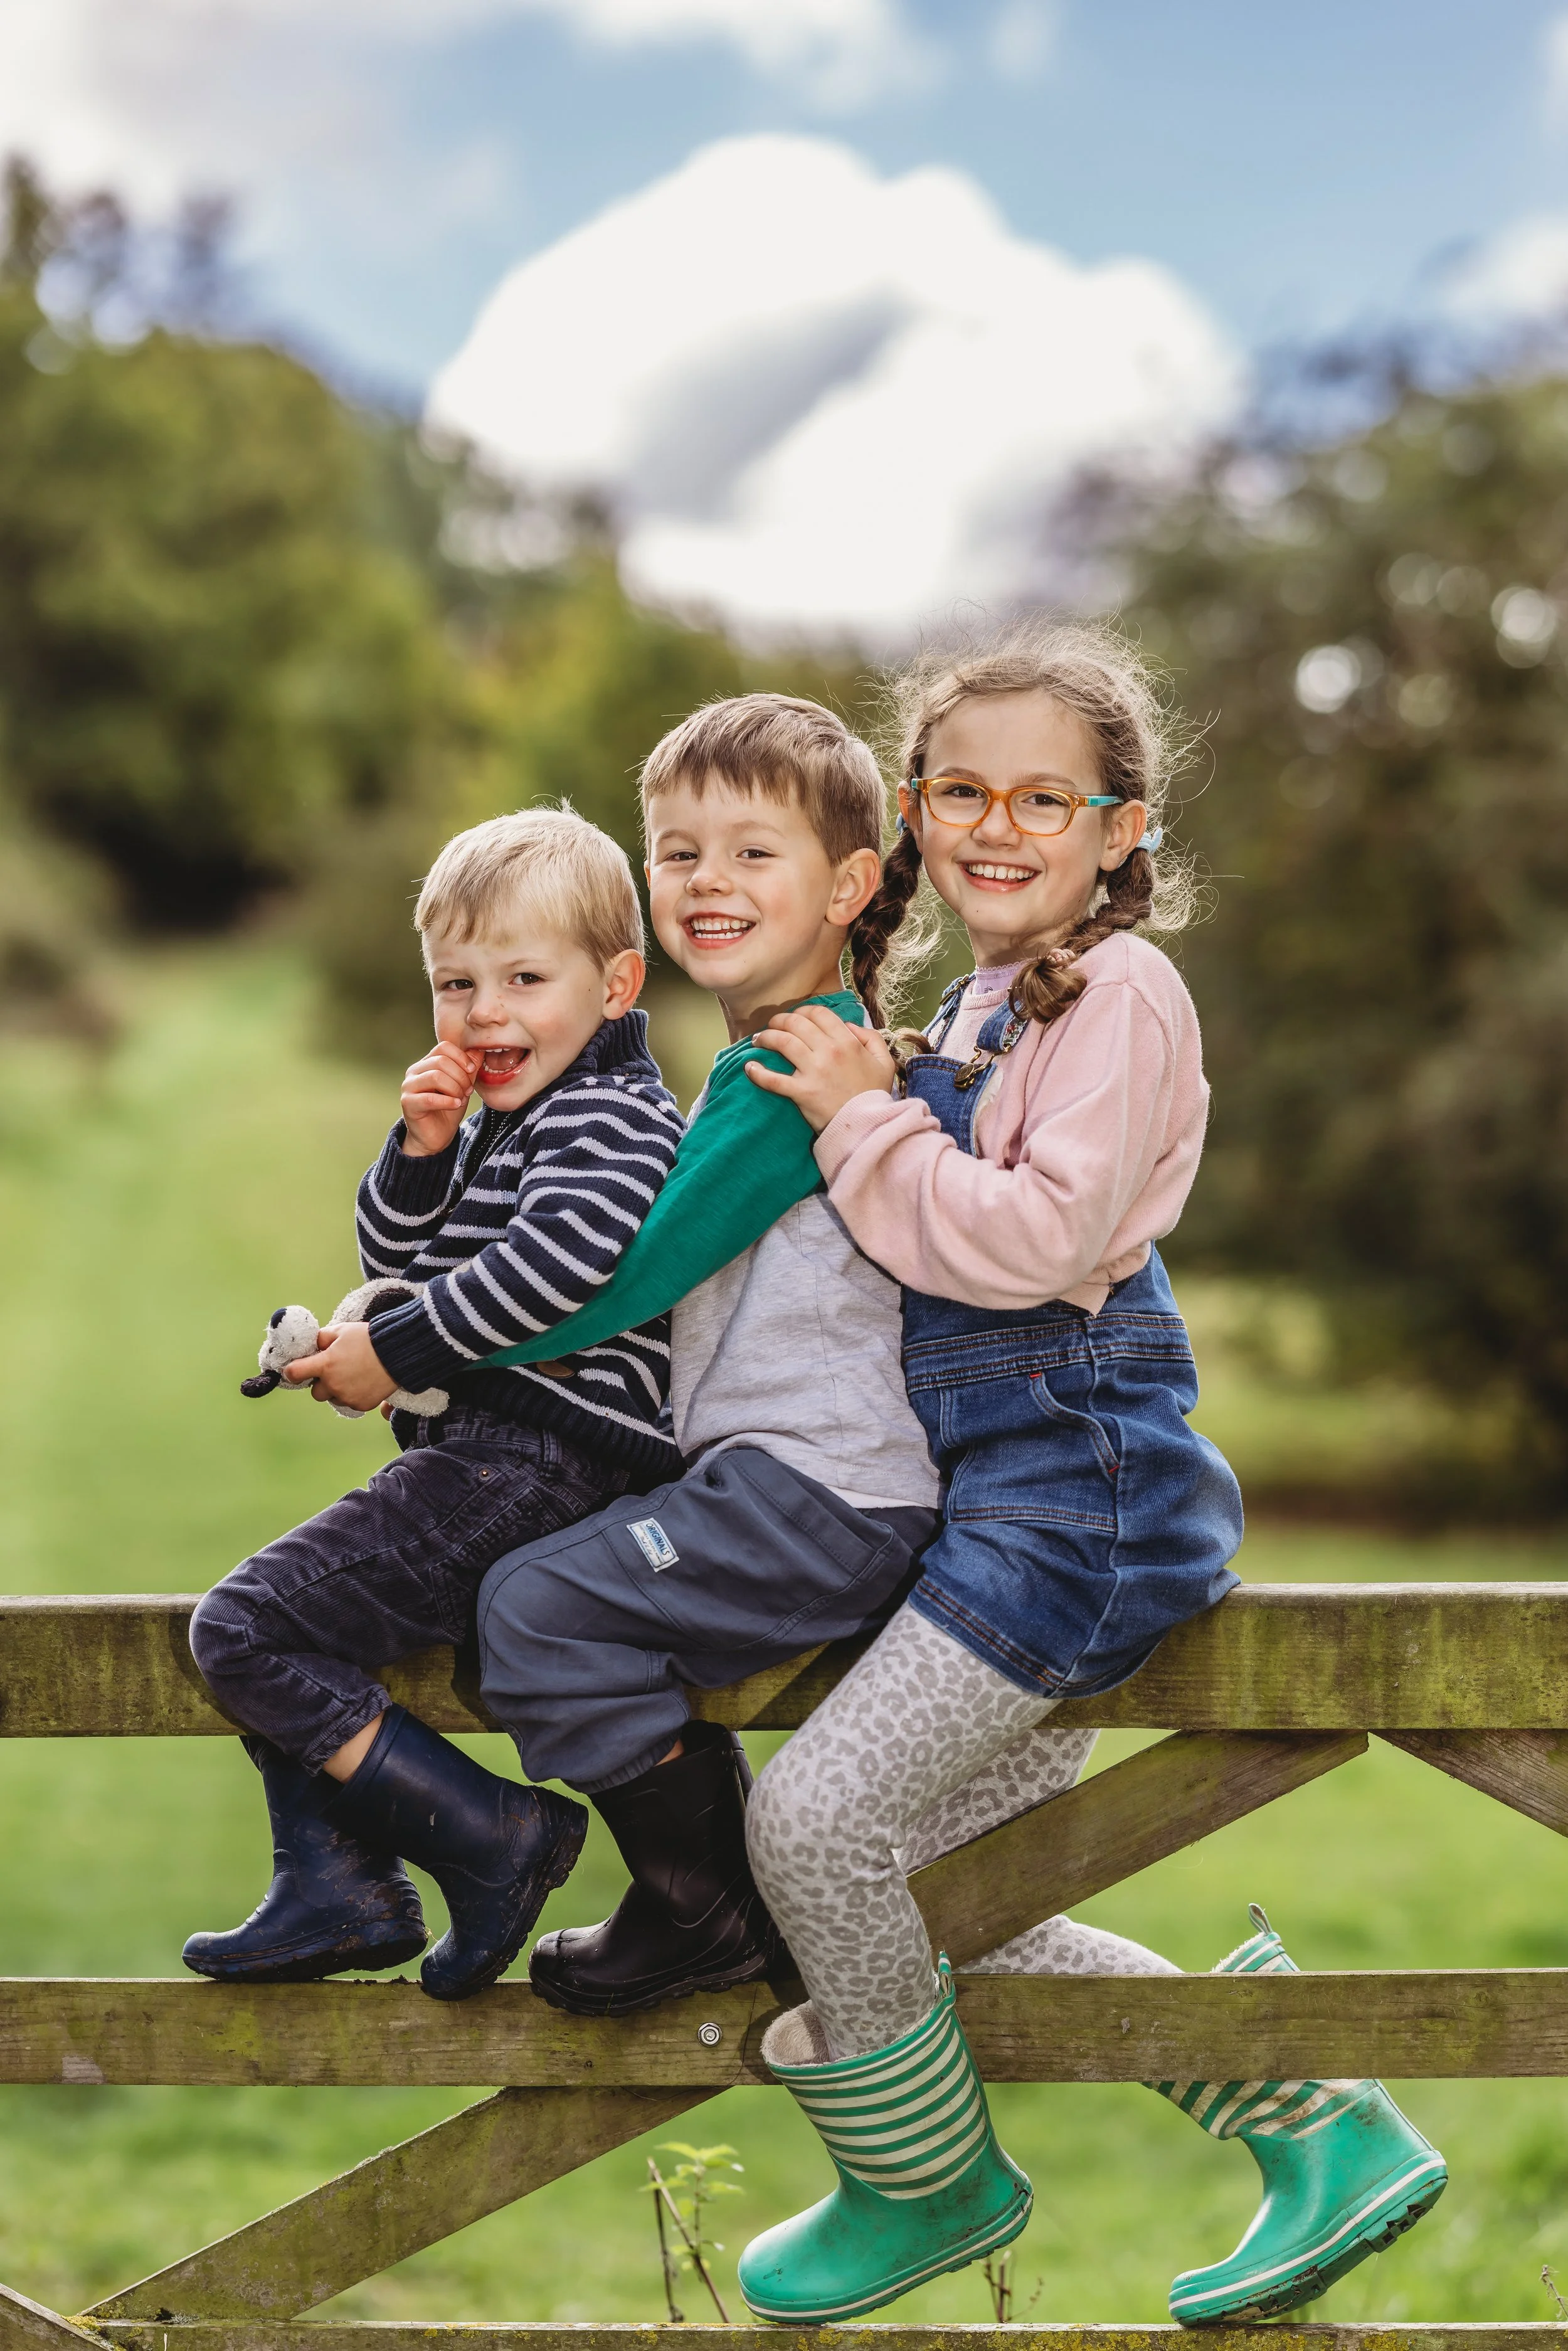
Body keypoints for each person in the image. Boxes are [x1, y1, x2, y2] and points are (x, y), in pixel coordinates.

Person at [732, 620, 1447, 2326]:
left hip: (1078, 1497)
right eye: (961, 791)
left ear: (1118, 826)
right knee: (957, 1902)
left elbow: (1038, 1242)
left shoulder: (1124, 989)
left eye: (1041, 796)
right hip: (1010, 1500)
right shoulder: (978, 997)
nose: (997, 824)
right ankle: (1324, 2121)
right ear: (912, 811)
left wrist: (861, 1117)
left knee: (813, 1817)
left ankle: (923, 2180)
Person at [469, 693, 943, 2017]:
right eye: (676, 853)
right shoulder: (779, 1056)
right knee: (546, 1581)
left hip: (821, 1492)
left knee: (533, 1604)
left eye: (750, 851)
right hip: (785, 1483)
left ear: (848, 884)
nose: (705, 880)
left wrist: (423, 1342)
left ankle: (704, 1905)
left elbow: (628, 1279)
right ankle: (740, 1897)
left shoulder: (788, 1071)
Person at [183, 807, 685, 2001]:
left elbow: (559, 1263)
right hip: (493, 1451)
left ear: (617, 985)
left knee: (242, 1628)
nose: (485, 1012)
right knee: (298, 1623)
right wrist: (421, 1148)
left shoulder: (611, 1116)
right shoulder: (506, 1120)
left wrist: (395, 1344)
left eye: (524, 977)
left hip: (546, 1456)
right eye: (456, 983)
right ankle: (337, 1889)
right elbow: (403, 1242)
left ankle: (491, 1835)